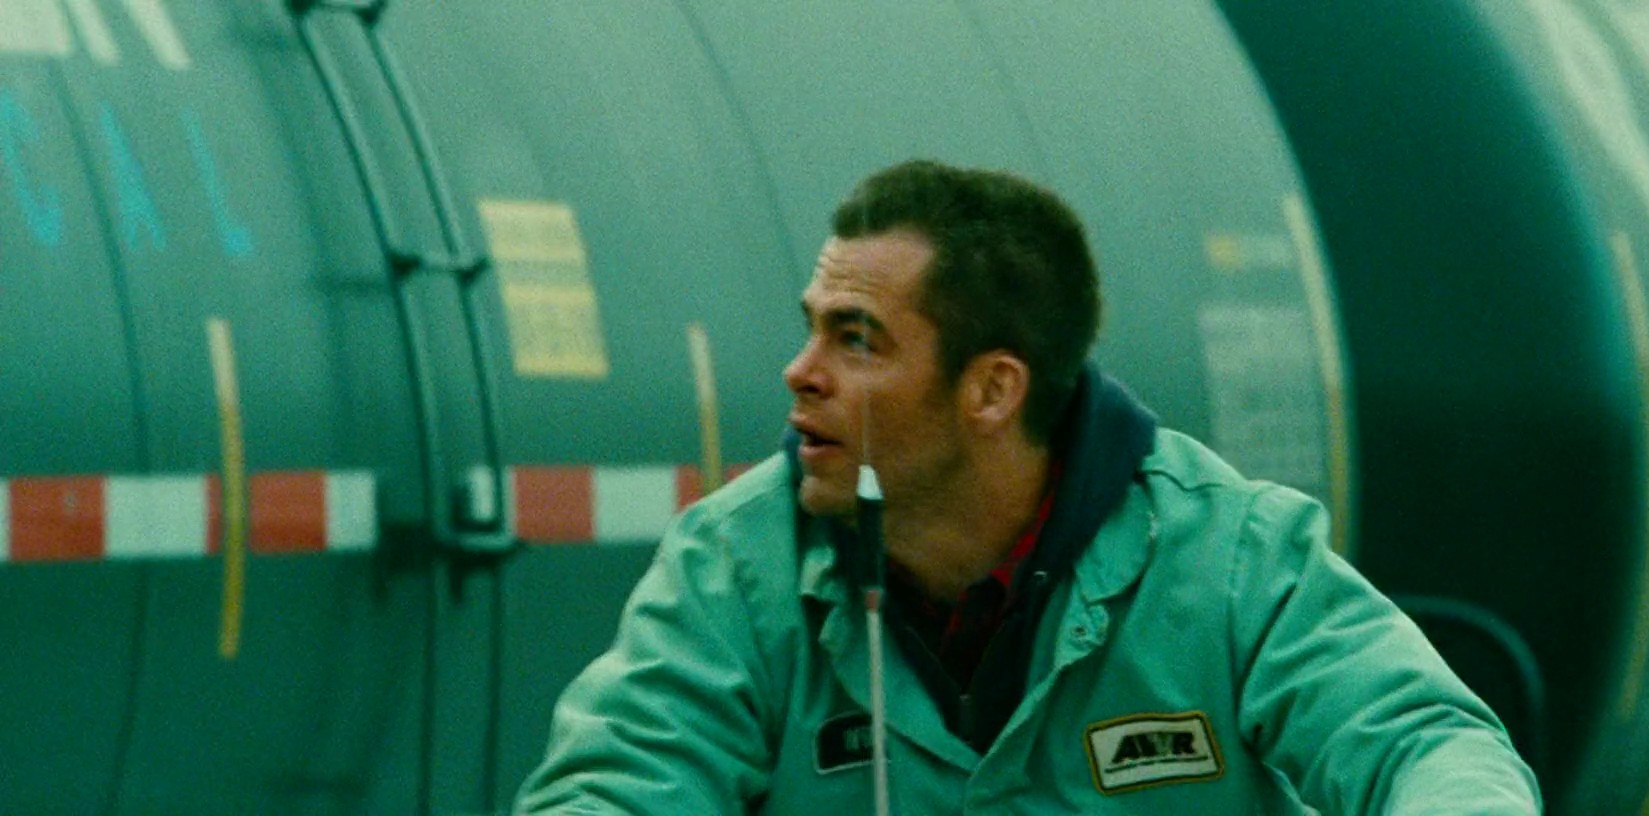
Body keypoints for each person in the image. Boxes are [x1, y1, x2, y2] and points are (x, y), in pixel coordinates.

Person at [516, 160, 1541, 814]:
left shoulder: (1229, 558)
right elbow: (615, 787)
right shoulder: (737, 569)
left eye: (856, 339)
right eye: (810, 327)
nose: (800, 372)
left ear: (992, 390)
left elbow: (1419, 741)